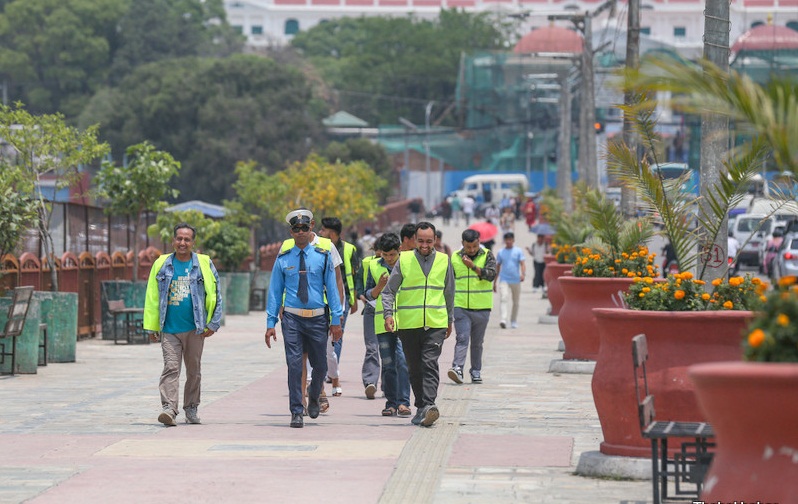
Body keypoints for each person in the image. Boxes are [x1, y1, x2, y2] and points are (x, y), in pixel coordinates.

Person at [266, 209, 343, 428]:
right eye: (296, 229)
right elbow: (274, 292)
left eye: (304, 228)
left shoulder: (323, 255)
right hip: (292, 319)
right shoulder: (283, 258)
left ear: (312, 227)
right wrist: (270, 323)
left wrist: (336, 320)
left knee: (320, 366)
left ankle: (314, 393)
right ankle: (297, 411)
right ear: (291, 231)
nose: (300, 232)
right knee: (294, 364)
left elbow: (333, 289)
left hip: (318, 318)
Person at [144, 223, 224, 427]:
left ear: (193, 242)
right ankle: (169, 409)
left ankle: (191, 408)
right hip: (169, 328)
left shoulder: (204, 263)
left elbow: (216, 293)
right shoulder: (162, 263)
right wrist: (152, 326)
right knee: (171, 368)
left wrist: (213, 323)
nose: (182, 243)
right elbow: (152, 296)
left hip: (195, 328)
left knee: (193, 370)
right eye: (179, 238)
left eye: (187, 239)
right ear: (173, 240)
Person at [380, 222, 454, 427]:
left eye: (429, 241)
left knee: (429, 363)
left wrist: (449, 320)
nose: (424, 245)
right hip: (409, 324)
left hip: (435, 323)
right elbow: (388, 291)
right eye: (420, 241)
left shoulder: (444, 260)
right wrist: (388, 315)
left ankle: (430, 405)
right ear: (414, 240)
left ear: (435, 240)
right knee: (414, 367)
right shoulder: (404, 260)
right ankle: (421, 406)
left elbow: (449, 293)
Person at [365, 233, 412, 417]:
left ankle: (404, 402)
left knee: (402, 361)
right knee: (388, 364)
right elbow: (368, 294)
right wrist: (379, 287)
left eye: (392, 254)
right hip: (382, 322)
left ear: (399, 250)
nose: (389, 259)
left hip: (405, 320)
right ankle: (390, 403)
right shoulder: (374, 266)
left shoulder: (408, 264)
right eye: (385, 255)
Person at [448, 229, 497, 385]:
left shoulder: (487, 255)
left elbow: (491, 275)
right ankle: (457, 368)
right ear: (463, 243)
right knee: (462, 338)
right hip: (461, 306)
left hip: (482, 307)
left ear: (479, 242)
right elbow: (448, 281)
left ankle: (475, 371)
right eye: (468, 247)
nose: (472, 250)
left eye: (474, 246)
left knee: (477, 342)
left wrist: (473, 267)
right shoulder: (454, 258)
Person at [319, 217, 360, 374]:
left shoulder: (349, 249)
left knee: (337, 333)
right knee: (322, 333)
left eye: (323, 230)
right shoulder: (318, 247)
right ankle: (322, 368)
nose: (320, 232)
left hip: (343, 299)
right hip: (322, 297)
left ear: (332, 233)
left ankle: (332, 371)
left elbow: (355, 275)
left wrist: (354, 299)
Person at [356, 235, 382, 400]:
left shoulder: (398, 264)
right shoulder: (367, 263)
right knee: (372, 348)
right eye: (380, 252)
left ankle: (389, 386)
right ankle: (370, 382)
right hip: (371, 311)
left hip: (393, 312)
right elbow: (359, 285)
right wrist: (361, 296)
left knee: (391, 351)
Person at [494, 232, 526, 329]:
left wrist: (523, 274)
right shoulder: (501, 252)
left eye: (510, 240)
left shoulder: (518, 251)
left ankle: (513, 320)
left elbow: (522, 263)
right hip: (504, 279)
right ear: (504, 241)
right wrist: (495, 281)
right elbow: (498, 267)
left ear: (513, 240)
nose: (508, 242)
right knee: (504, 298)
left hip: (515, 280)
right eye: (506, 240)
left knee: (515, 302)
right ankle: (503, 319)